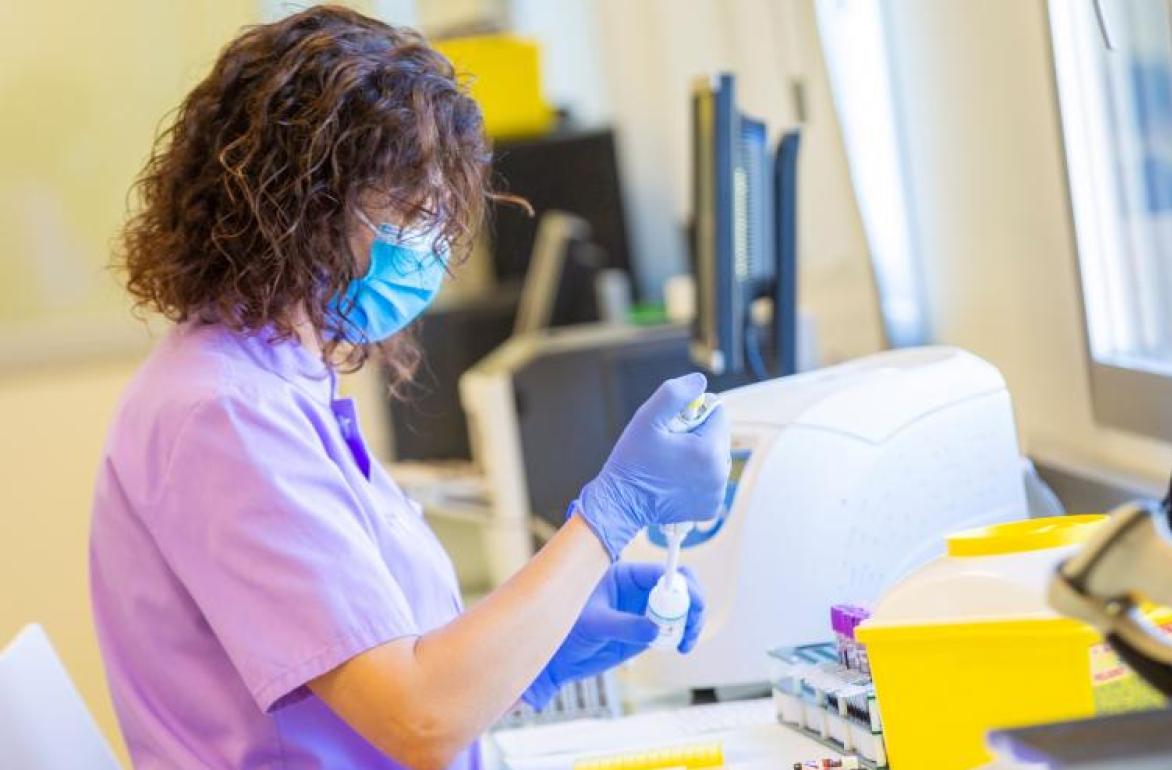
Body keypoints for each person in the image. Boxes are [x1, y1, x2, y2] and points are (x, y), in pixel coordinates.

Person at [88, 6, 730, 770]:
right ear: (303, 202)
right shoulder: (226, 412)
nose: (427, 245)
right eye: (408, 210)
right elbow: (418, 719)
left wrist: (545, 652)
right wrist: (609, 518)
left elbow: (392, 668)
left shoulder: (276, 379)